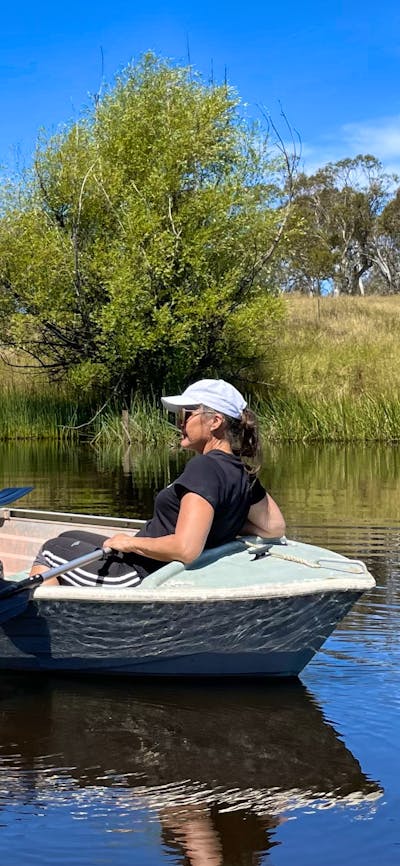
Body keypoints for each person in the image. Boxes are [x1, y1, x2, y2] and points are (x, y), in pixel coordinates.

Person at [29, 379, 285, 587]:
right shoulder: (240, 470)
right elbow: (273, 527)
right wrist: (220, 523)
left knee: (51, 550)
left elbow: (186, 549)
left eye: (187, 414)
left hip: (137, 572)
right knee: (69, 535)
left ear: (215, 421)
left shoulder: (204, 467)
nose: (180, 423)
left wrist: (130, 543)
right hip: (147, 560)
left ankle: (48, 628)